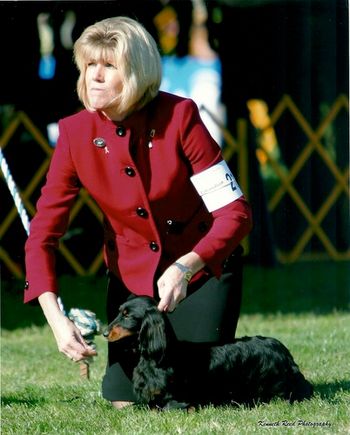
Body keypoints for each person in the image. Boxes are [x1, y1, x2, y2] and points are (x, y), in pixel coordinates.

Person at [24, 16, 252, 409]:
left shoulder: (181, 116)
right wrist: (56, 319)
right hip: (132, 284)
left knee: (182, 398)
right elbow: (43, 233)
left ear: (136, 74)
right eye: (89, 65)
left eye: (109, 66)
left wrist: (187, 266)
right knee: (124, 400)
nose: (94, 76)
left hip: (201, 274)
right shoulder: (75, 133)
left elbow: (236, 213)